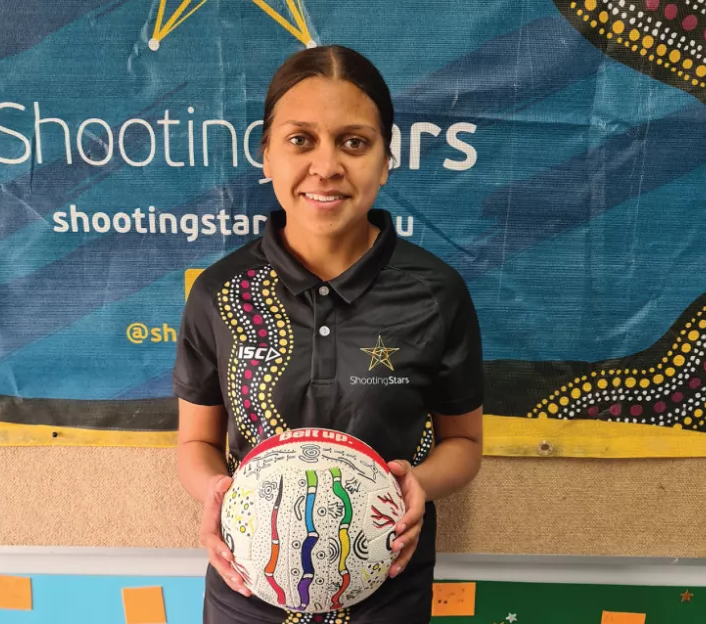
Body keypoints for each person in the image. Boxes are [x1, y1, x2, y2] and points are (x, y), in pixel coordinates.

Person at [174, 44, 484, 624]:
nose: (326, 166)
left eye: (354, 143)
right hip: (246, 595)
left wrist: (417, 484)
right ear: (267, 155)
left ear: (386, 161)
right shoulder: (219, 293)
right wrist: (215, 489)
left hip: (387, 594)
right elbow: (195, 444)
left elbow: (464, 443)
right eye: (300, 140)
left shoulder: (435, 293)